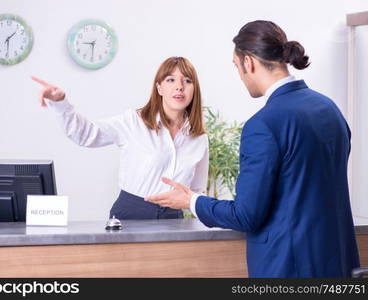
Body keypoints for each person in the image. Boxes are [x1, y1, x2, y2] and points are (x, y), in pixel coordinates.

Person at [146, 21, 360, 277]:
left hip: (287, 270)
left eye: (236, 67)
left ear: (249, 63)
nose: (239, 76)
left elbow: (246, 215)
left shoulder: (263, 125)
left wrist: (191, 200)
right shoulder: (330, 110)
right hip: (339, 266)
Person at [32, 56, 209, 220]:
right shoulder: (133, 121)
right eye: (171, 80)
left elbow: (196, 191)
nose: (179, 86)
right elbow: (85, 135)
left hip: (173, 219)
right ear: (159, 88)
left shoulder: (198, 137)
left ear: (194, 89)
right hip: (131, 215)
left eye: (187, 81)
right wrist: (60, 102)